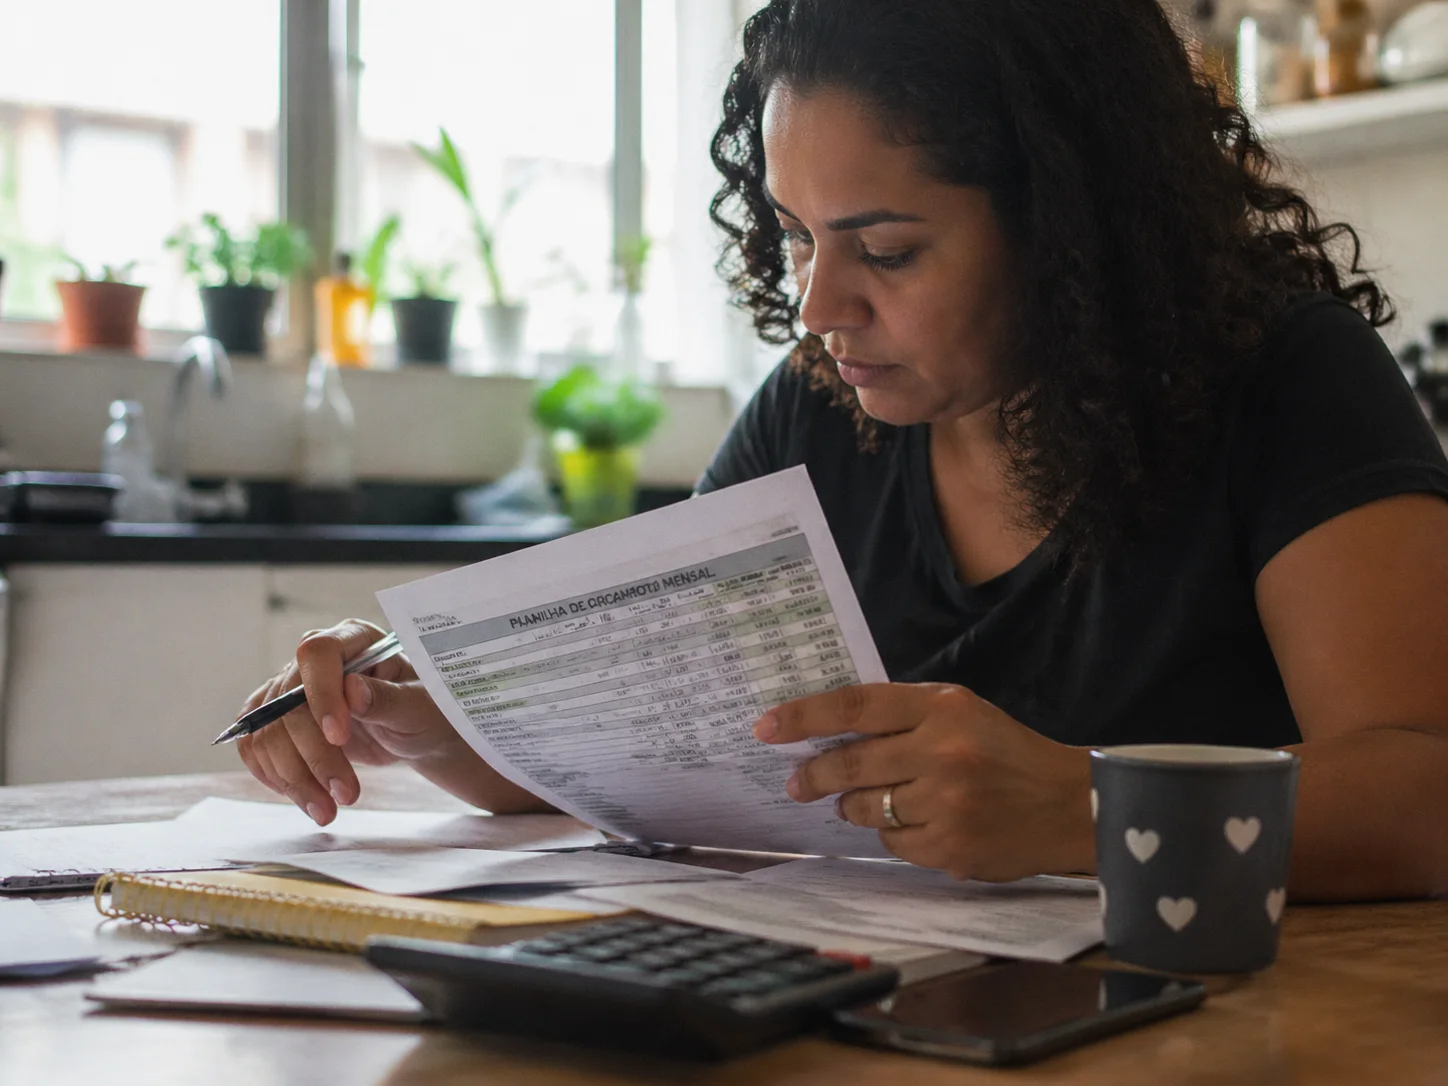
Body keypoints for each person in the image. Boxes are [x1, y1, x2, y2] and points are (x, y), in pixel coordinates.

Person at [236, 0, 1448, 902]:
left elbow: (1422, 790)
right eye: (796, 235)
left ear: (1073, 227)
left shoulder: (1287, 380)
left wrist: (1077, 804)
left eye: (885, 249)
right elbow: (668, 757)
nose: (817, 306)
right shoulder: (813, 413)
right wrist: (434, 726)